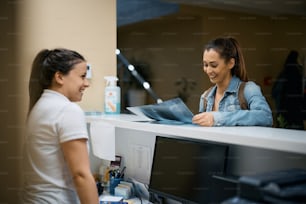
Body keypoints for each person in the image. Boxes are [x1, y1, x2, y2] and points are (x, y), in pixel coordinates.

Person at [22, 48, 99, 204]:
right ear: (59, 77)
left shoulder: (39, 106)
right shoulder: (67, 110)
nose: (87, 83)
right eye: (82, 76)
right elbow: (81, 175)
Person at [192, 37, 273, 127]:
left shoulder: (249, 89)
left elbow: (265, 117)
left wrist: (218, 118)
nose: (208, 70)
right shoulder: (205, 97)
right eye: (205, 65)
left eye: (214, 65)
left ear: (231, 63)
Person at [272, 50, 304, 130]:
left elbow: (275, 92)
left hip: (284, 112)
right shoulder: (298, 75)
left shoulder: (284, 74)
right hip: (296, 112)